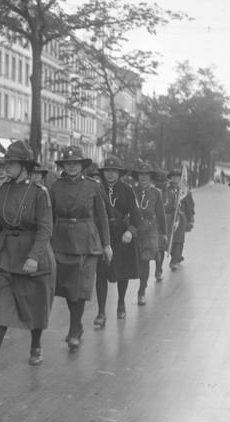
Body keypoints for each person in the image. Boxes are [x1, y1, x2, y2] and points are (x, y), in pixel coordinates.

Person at [0, 141, 55, 374]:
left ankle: (36, 345)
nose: (7, 167)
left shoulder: (40, 193)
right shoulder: (3, 189)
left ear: (25, 167)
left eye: (12, 163)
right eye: (6, 162)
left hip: (31, 255)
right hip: (4, 255)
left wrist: (33, 257)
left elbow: (45, 229)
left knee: (35, 304)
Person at [50, 146, 112, 351]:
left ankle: (74, 330)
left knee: (81, 288)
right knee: (68, 288)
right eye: (68, 164)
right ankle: (76, 324)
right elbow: (48, 217)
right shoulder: (55, 187)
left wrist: (107, 244)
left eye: (75, 163)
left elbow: (102, 217)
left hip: (87, 241)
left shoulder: (93, 186)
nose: (72, 167)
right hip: (61, 240)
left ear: (82, 166)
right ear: (63, 166)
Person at [95, 155, 141, 325]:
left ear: (119, 173)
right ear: (103, 172)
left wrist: (130, 231)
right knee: (100, 273)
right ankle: (101, 312)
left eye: (114, 171)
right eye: (107, 170)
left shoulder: (127, 190)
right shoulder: (97, 188)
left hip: (121, 236)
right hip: (101, 235)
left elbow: (136, 214)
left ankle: (121, 303)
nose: (110, 174)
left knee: (123, 272)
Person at [131, 160, 167, 306]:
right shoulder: (132, 191)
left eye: (146, 175)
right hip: (134, 228)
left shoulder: (156, 193)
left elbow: (160, 214)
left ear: (151, 177)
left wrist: (163, 233)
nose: (143, 178)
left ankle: (142, 291)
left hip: (150, 229)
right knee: (136, 260)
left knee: (145, 260)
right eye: (141, 175)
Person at [164, 169, 195, 271]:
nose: (175, 179)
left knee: (179, 240)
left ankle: (174, 261)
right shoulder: (166, 190)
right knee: (168, 239)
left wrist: (190, 220)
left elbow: (190, 206)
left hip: (181, 218)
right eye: (173, 177)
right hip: (169, 218)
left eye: (177, 177)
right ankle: (176, 255)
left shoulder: (185, 191)